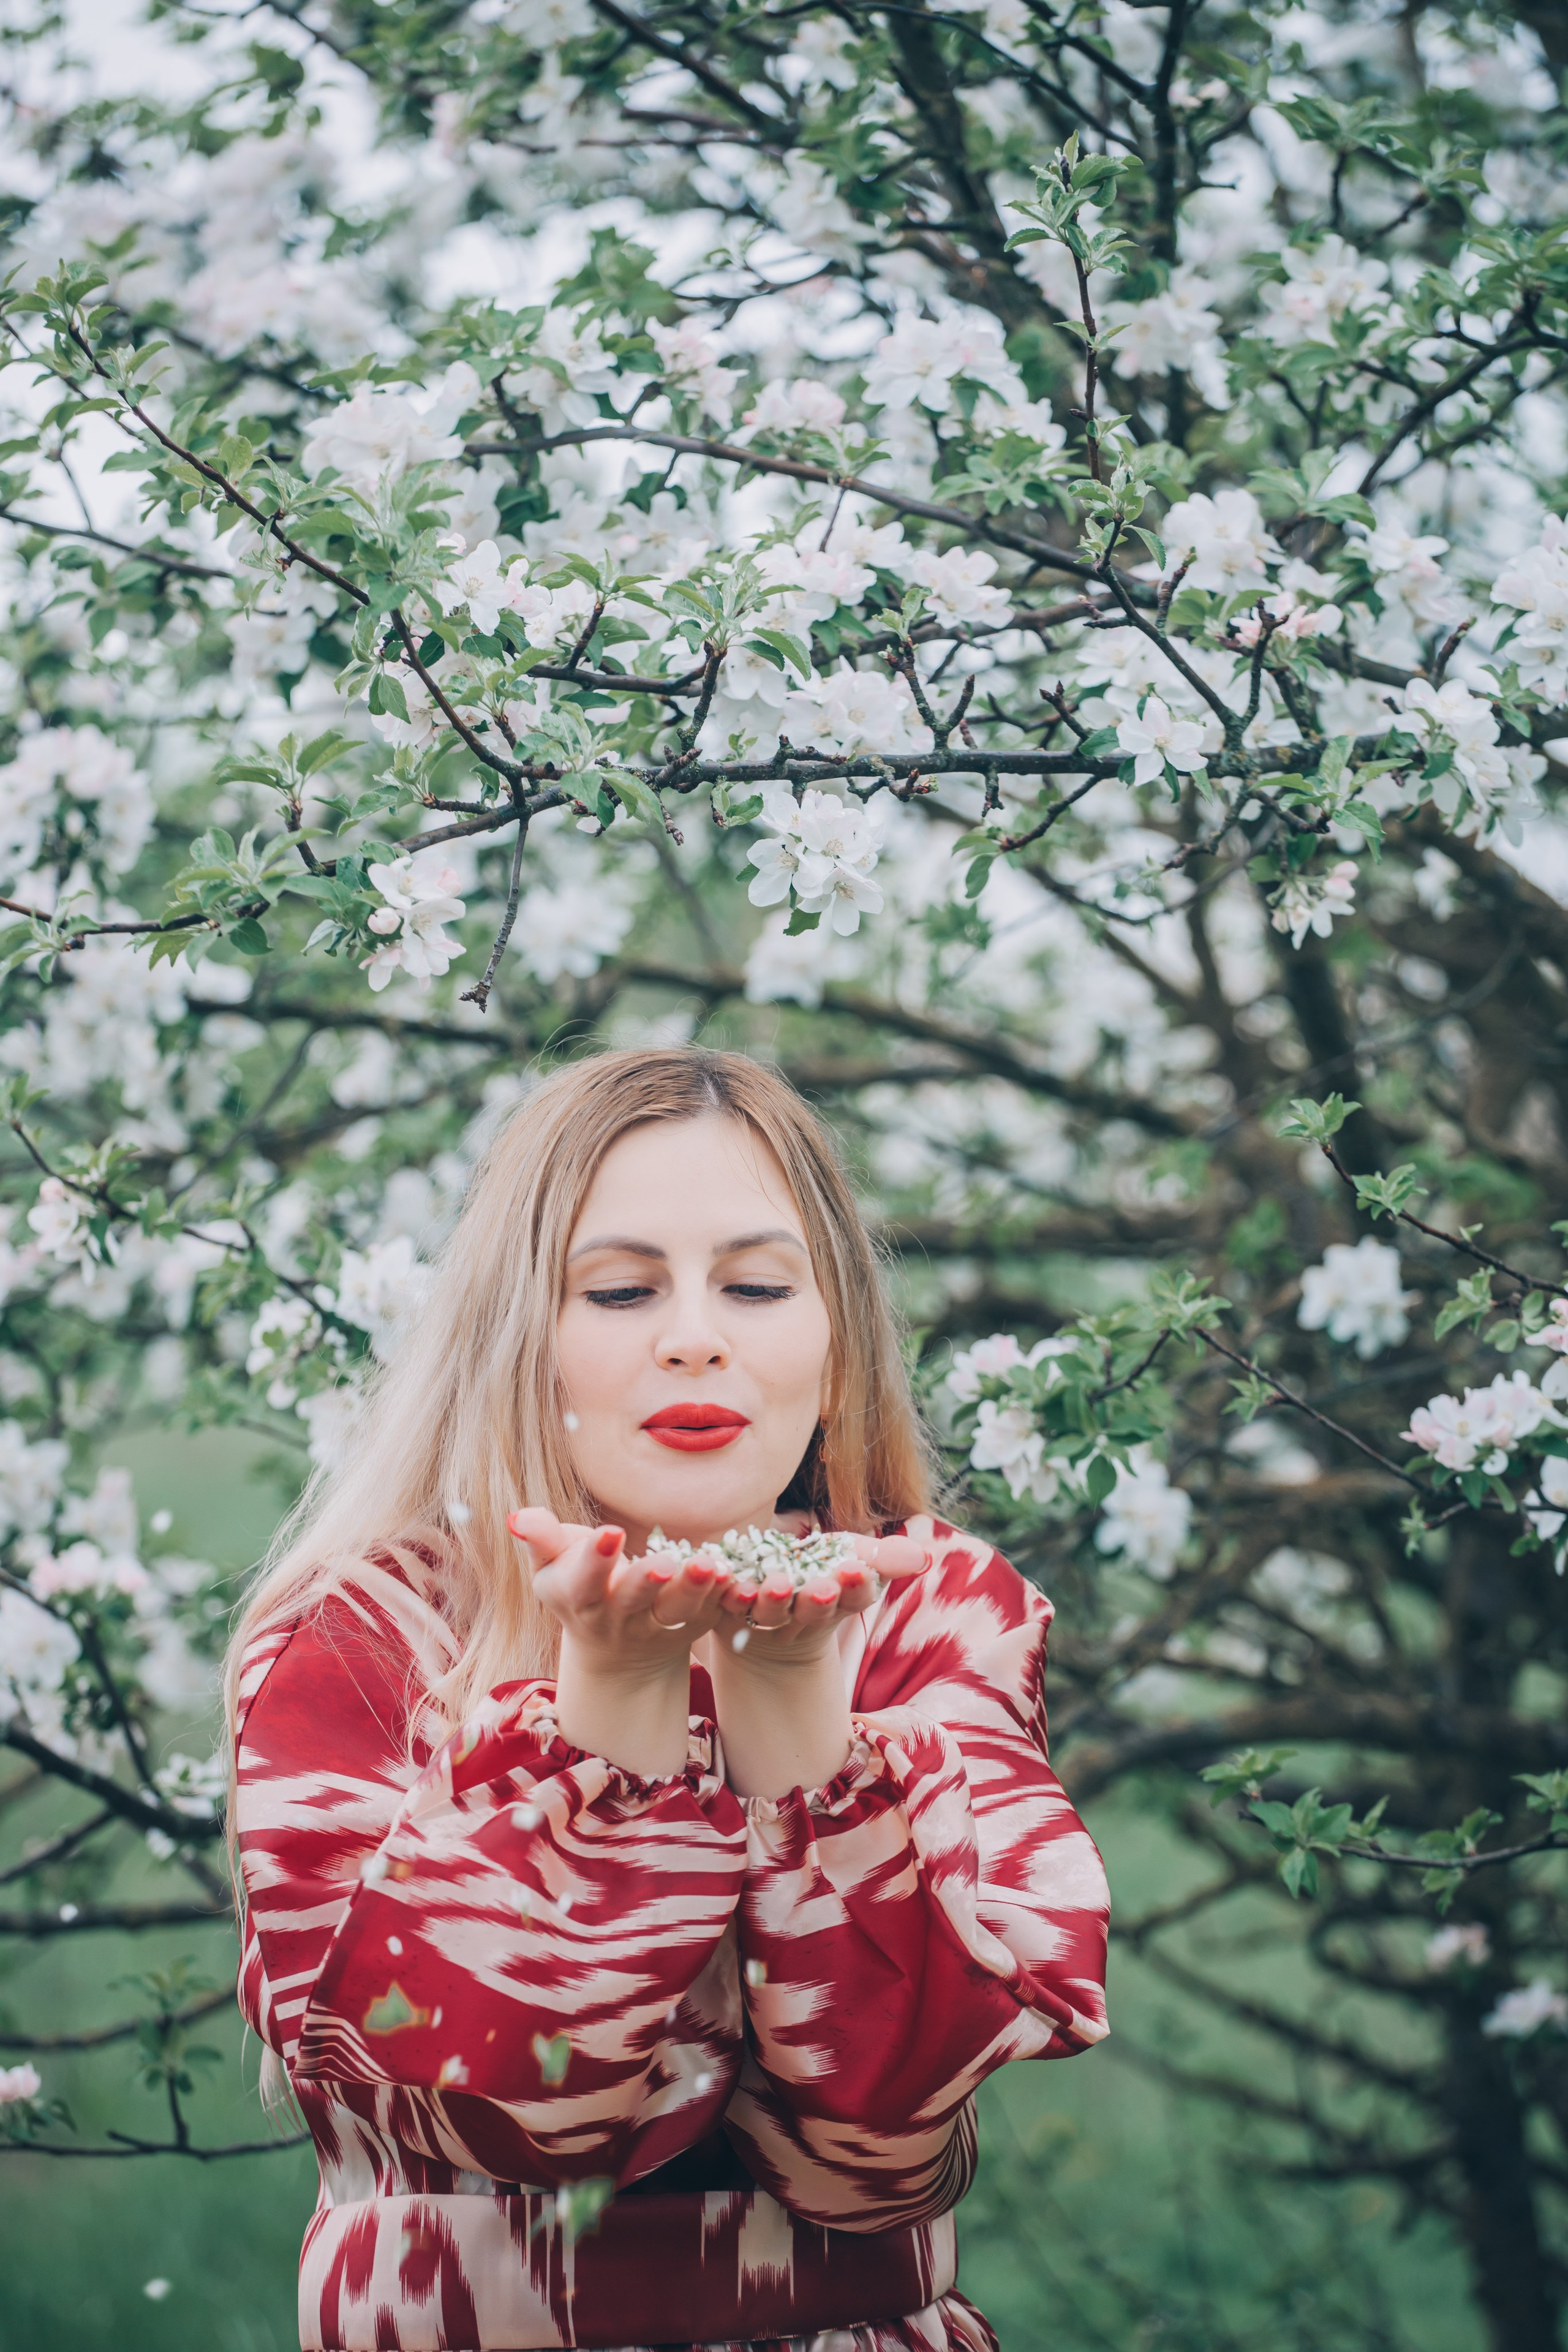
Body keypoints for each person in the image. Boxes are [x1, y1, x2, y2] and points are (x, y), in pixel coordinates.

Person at [226, 1047, 1109, 2352]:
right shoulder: (364, 1643)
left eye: (755, 1285)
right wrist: (612, 1721)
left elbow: (882, 2157)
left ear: (835, 1336)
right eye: (622, 1289)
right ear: (521, 1333)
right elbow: (523, 2129)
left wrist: (802, 1726)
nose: (694, 1334)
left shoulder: (927, 1611)